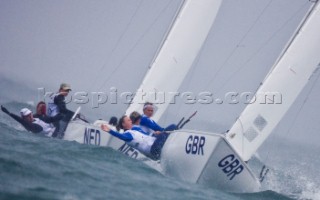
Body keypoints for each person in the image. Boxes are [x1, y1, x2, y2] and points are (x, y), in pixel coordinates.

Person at [101, 115, 170, 160]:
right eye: (128, 120)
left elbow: (147, 136)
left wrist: (156, 134)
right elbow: (120, 136)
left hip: (154, 149)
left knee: (166, 132)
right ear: (123, 124)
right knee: (172, 127)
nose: (131, 121)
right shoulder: (128, 134)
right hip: (153, 149)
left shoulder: (135, 130)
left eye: (130, 120)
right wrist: (110, 131)